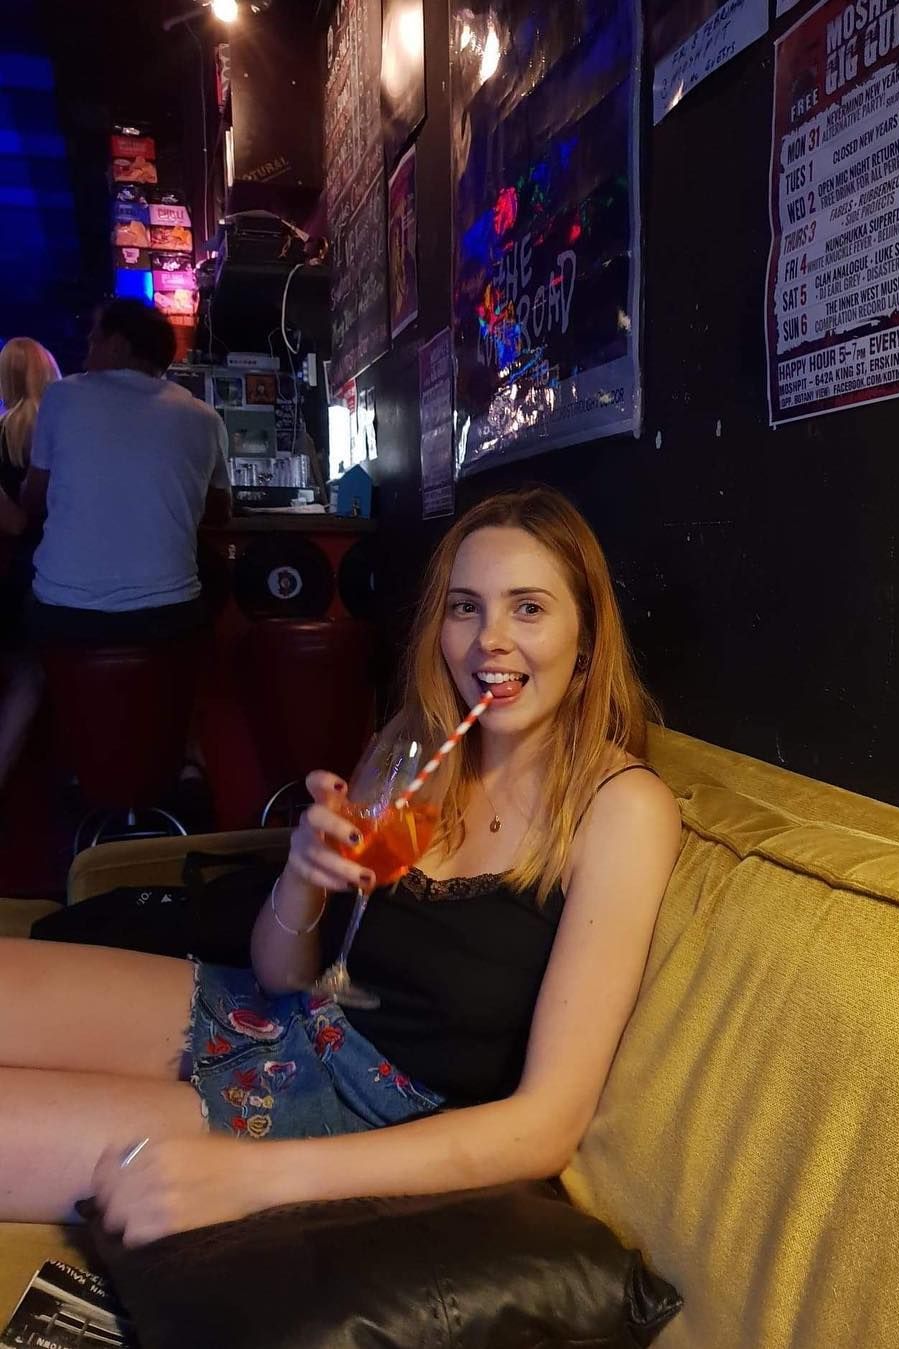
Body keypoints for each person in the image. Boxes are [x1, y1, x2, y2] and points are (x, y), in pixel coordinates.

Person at [0, 486, 681, 1246]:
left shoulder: (621, 809)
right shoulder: (413, 745)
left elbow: (546, 1125)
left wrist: (254, 1177)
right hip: (282, 1012)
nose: (489, 639)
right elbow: (286, 973)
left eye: (528, 608)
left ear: (585, 637)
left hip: (353, 1112)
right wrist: (303, 876)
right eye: (465, 607)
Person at [22, 299, 231, 645]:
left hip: (66, 614)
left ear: (118, 345)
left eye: (94, 340)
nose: (86, 352)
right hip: (168, 616)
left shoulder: (61, 396)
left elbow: (33, 498)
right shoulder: (205, 417)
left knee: (20, 630)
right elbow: (221, 512)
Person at [0, 337, 61, 789]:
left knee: (26, 676)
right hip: (72, 574)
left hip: (20, 576)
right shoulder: (70, 434)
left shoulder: (2, 432)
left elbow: (15, 523)